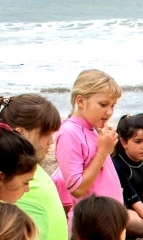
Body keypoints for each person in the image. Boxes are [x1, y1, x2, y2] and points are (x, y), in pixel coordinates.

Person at [0, 94, 68, 240]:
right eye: (45, 134)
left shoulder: (29, 167)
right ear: (20, 133)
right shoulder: (10, 177)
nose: (51, 141)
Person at [51, 69, 123, 215]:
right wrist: (103, 151)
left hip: (109, 217)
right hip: (94, 221)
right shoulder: (69, 132)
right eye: (103, 104)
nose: (109, 112)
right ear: (81, 101)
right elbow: (77, 188)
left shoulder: (92, 128)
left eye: (112, 106)